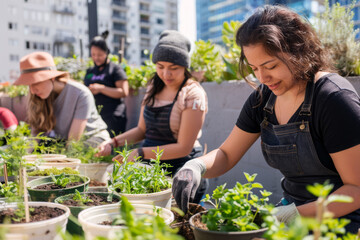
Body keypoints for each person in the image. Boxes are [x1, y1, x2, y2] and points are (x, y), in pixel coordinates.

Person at [172, 5, 360, 233]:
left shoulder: (333, 99)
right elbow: (227, 154)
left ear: (297, 52)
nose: (262, 77)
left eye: (270, 66)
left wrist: (292, 215)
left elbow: (356, 189)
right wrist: (196, 166)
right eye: (254, 68)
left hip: (339, 222)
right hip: (287, 212)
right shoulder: (263, 99)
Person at [97, 30, 209, 203]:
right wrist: (113, 143)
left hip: (181, 165)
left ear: (185, 66)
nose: (166, 74)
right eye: (160, 67)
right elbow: (142, 130)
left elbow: (183, 148)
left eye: (174, 68)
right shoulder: (153, 87)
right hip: (150, 161)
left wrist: (140, 152)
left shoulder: (193, 94)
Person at [14, 51, 110, 147]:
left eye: (35, 83)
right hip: (65, 145)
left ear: (51, 77)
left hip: (95, 145)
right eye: (29, 84)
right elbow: (35, 137)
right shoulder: (37, 96)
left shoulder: (80, 94)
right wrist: (23, 157)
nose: (32, 90)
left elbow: (73, 141)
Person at [84, 31, 129, 137]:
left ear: (106, 52)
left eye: (99, 55)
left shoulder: (115, 69)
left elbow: (124, 91)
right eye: (93, 55)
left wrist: (101, 88)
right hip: (96, 116)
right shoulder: (90, 71)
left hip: (113, 116)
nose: (96, 58)